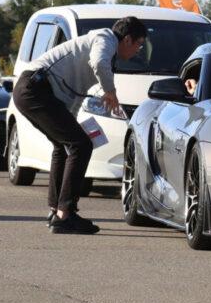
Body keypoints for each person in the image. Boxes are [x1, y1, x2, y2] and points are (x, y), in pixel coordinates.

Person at [13, 16, 147, 234]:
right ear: (128, 39)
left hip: (32, 91)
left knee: (64, 145)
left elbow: (70, 95)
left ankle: (56, 211)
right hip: (35, 89)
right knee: (81, 145)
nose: (138, 50)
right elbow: (98, 63)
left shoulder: (106, 47)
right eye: (139, 44)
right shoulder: (105, 38)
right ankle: (65, 214)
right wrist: (110, 91)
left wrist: (73, 122)